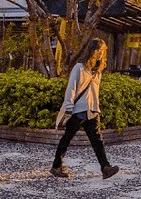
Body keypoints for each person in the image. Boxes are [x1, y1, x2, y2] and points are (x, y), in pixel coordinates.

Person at [51, 38, 121, 179]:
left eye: (102, 51)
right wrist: (69, 107)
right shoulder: (79, 68)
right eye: (98, 50)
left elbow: (95, 91)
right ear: (91, 50)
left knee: (97, 141)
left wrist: (96, 107)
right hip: (77, 110)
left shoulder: (98, 70)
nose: (100, 53)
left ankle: (105, 168)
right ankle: (56, 166)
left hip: (92, 111)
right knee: (67, 138)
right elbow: (71, 88)